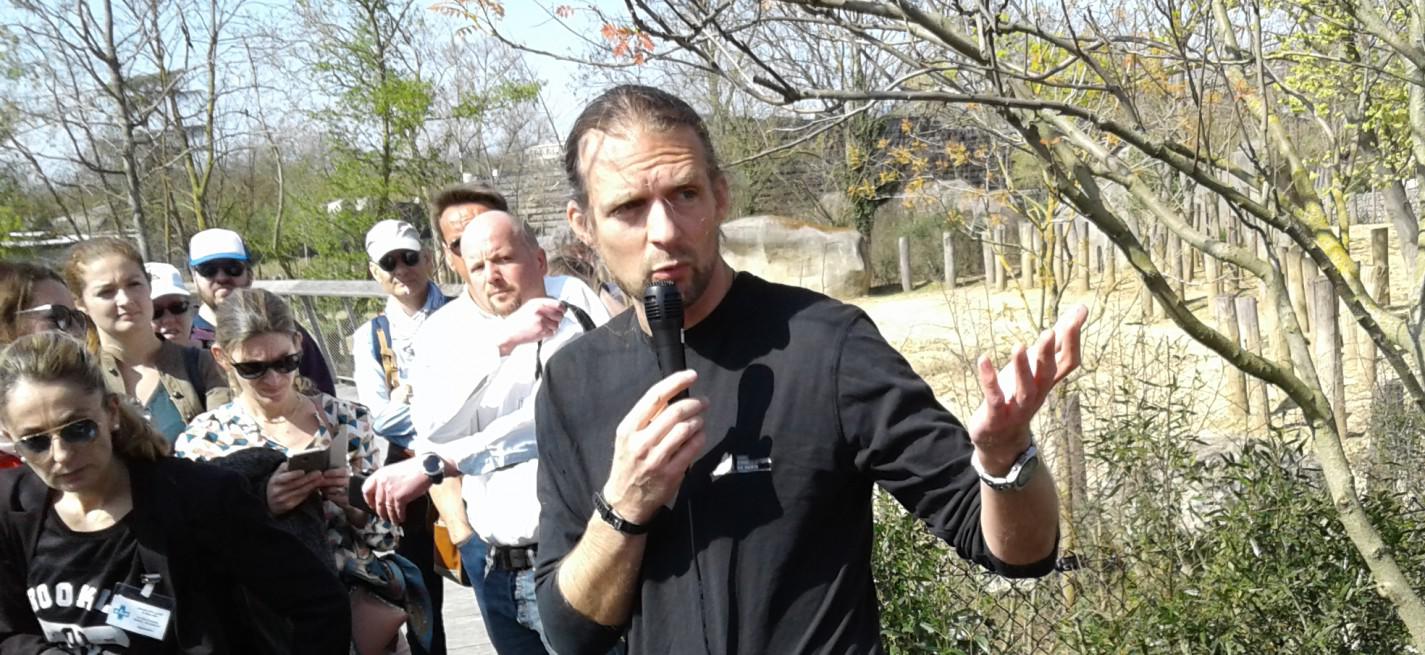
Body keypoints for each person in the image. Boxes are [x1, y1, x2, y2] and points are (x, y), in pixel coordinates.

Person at [533, 84, 1088, 655]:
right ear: (583, 225)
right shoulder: (570, 383)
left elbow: (1017, 551)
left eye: (685, 194)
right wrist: (624, 505)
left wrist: (1005, 459)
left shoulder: (828, 345)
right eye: (628, 209)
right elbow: (569, 631)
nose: (665, 232)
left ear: (721, 196)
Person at [0, 331, 351, 652]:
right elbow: (8, 633)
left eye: (79, 430)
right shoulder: (11, 511)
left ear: (111, 413)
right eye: (35, 441)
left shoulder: (201, 498)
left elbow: (318, 603)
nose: (60, 455)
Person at [363, 208, 610, 654]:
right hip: (494, 565)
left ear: (538, 261)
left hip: (569, 558)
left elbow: (552, 421)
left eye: (503, 260)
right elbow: (433, 425)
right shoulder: (446, 330)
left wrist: (446, 460)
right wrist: (501, 343)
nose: (491, 276)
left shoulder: (568, 309)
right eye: (477, 266)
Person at [174, 287, 415, 653]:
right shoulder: (203, 440)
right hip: (263, 626)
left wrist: (351, 499)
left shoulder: (347, 420)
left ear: (299, 345)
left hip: (353, 617)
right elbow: (200, 553)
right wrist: (261, 508)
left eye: (285, 362)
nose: (273, 379)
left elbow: (387, 536)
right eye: (253, 369)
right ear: (222, 358)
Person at [351, 219, 454, 655]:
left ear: (427, 259)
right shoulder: (370, 336)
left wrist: (408, 400)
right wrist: (435, 416)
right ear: (375, 272)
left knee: (490, 574)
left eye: (409, 257)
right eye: (388, 262)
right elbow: (381, 418)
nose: (401, 269)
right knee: (422, 592)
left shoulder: (464, 315)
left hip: (464, 467)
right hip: (407, 478)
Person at [64, 238, 231, 444]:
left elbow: (226, 450)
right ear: (80, 303)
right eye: (106, 292)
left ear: (149, 286)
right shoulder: (76, 380)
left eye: (134, 284)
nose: (125, 300)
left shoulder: (203, 366)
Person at [187, 228, 337, 396]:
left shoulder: (284, 329)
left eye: (233, 268)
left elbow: (324, 396)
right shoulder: (188, 341)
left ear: (250, 274)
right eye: (208, 270)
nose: (221, 278)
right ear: (193, 277)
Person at [0, 262, 90, 470]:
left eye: (77, 317)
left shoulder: (102, 418)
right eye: (58, 316)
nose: (76, 332)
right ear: (5, 324)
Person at [145, 262, 195, 347]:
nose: (168, 319)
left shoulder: (215, 356)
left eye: (177, 307)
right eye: (155, 311)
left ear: (191, 311)